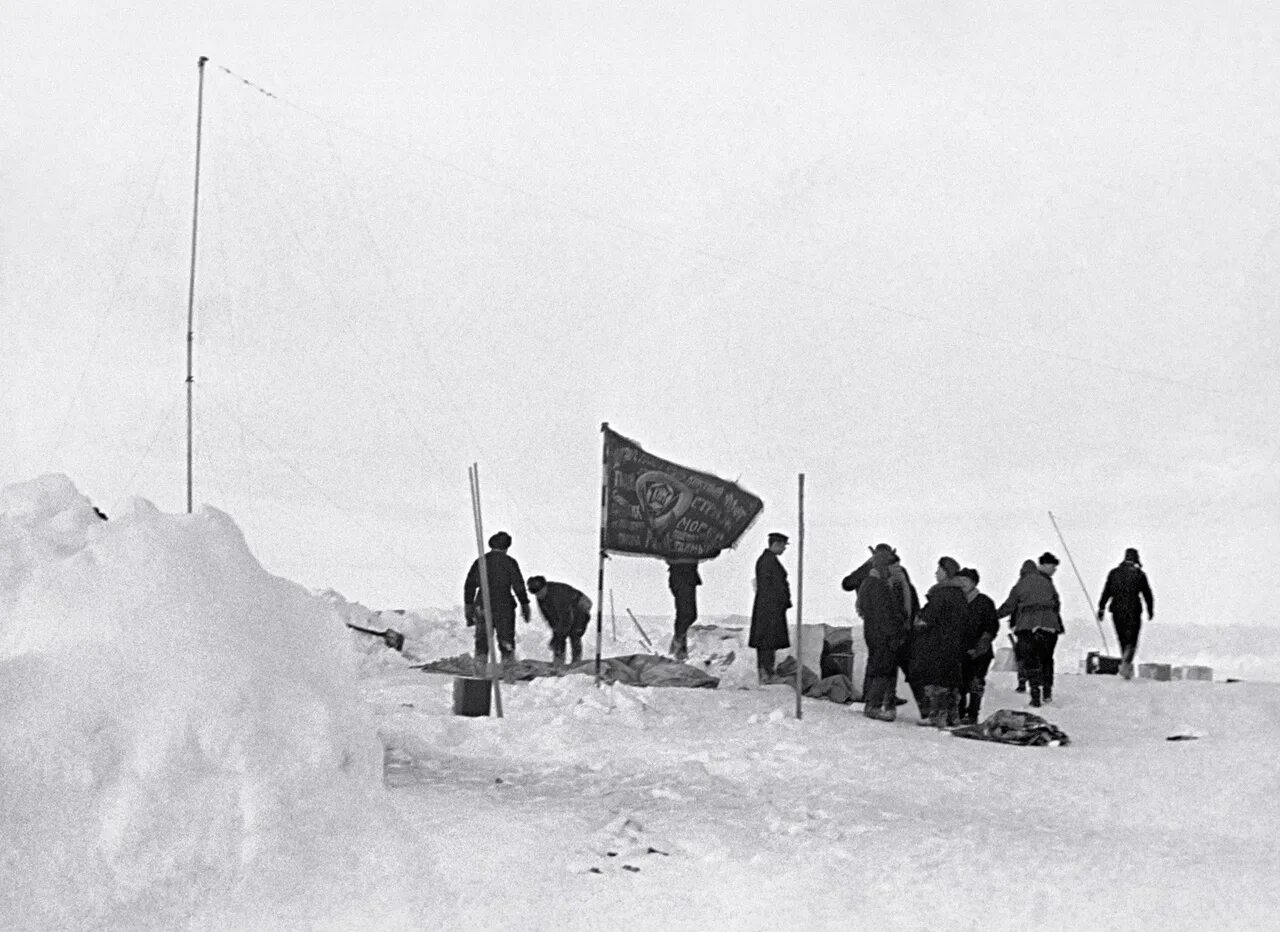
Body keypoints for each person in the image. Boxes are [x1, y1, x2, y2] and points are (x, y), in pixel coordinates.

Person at [842, 543, 917, 722]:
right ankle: (875, 703)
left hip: (885, 630)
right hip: (885, 631)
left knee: (885, 664)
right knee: (882, 665)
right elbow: (887, 610)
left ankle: (885, 702)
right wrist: (897, 629)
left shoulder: (880, 580)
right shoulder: (878, 582)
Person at [996, 553, 1064, 707]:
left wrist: (993, 616)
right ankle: (1047, 691)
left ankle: (1035, 694)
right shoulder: (1048, 583)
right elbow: (1057, 603)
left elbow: (1009, 606)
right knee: (1047, 659)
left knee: (1030, 659)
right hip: (1050, 626)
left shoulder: (1021, 584)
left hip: (1027, 626)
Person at [911, 556, 969, 727]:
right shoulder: (960, 595)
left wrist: (917, 624)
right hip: (954, 644)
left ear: (946, 572)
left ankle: (937, 717)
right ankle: (953, 716)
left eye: (939, 570)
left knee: (936, 681)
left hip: (937, 643)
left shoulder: (941, 593)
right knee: (951, 681)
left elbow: (926, 618)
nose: (936, 573)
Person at [462, 531, 531, 663]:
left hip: (483, 606)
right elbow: (519, 586)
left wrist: (468, 607)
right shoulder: (510, 562)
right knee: (506, 642)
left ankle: (480, 671)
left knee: (481, 642)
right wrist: (524, 604)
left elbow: (469, 585)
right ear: (507, 546)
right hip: (504, 607)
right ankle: (508, 673)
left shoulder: (481, 561)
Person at [1097, 547, 1154, 680]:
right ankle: (1126, 664)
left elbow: (1106, 591)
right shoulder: (1139, 574)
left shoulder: (1114, 573)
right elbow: (1147, 594)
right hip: (1134, 611)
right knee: (1132, 640)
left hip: (1116, 610)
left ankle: (1125, 664)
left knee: (1122, 639)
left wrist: (1101, 608)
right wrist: (1150, 610)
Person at [955, 567, 998, 725]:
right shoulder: (955, 601)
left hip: (981, 652)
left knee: (976, 682)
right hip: (959, 650)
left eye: (965, 581)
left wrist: (982, 645)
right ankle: (959, 713)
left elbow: (992, 626)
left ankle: (972, 714)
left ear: (974, 583)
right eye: (959, 581)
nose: (962, 584)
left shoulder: (984, 602)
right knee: (959, 683)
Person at [749, 532, 792, 683]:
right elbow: (771, 587)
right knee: (767, 641)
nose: (784, 549)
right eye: (783, 545)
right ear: (776, 544)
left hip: (770, 607)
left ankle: (767, 671)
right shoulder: (767, 561)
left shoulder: (768, 560)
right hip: (769, 608)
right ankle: (766, 673)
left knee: (768, 641)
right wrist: (780, 602)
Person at [526, 576, 592, 668]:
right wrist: (555, 633)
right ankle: (558, 664)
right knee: (558, 634)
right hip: (566, 611)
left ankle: (576, 664)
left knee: (574, 633)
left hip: (580, 606)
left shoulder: (558, 594)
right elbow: (549, 617)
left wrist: (557, 638)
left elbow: (566, 619)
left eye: (540, 592)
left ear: (545, 587)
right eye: (536, 594)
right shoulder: (541, 597)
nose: (538, 595)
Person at [666, 559, 702, 660]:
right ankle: (678, 648)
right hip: (682, 577)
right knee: (687, 614)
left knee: (686, 615)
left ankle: (678, 648)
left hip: (685, 576)